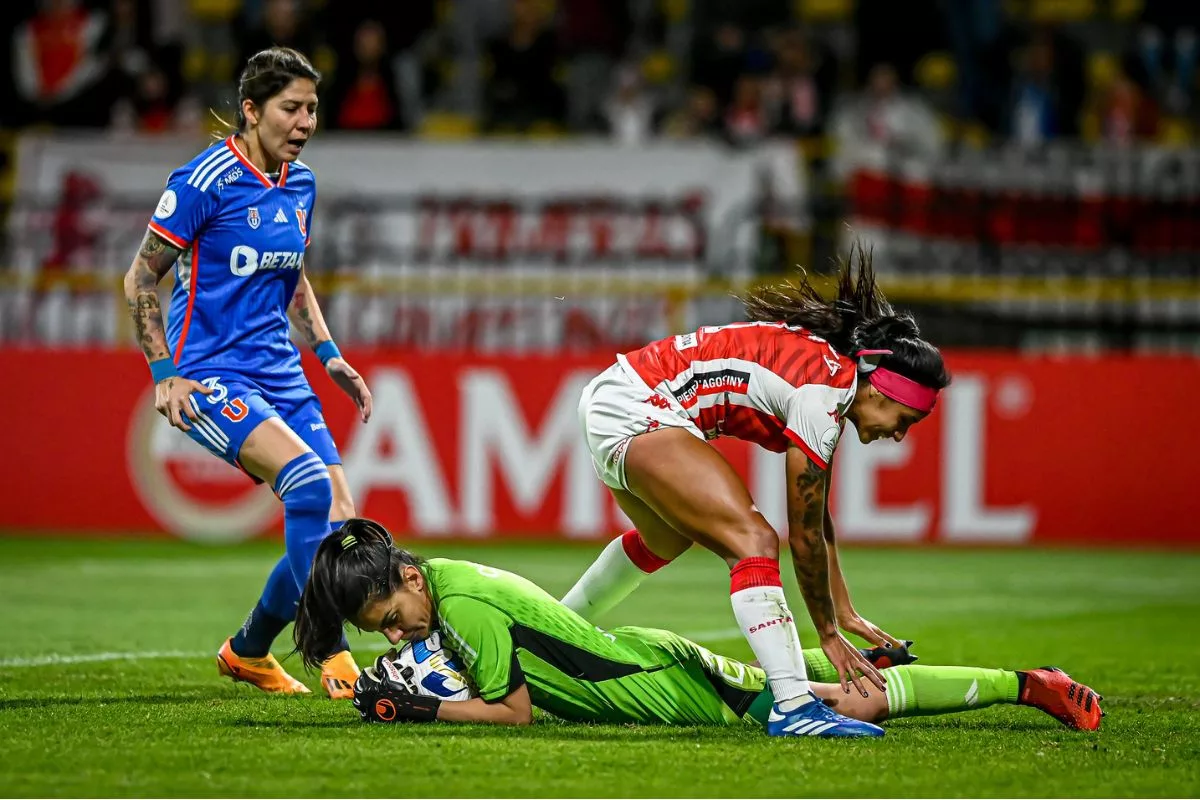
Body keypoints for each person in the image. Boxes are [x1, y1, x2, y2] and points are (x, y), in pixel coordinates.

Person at [558, 243, 951, 737]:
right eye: (905, 419)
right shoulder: (824, 394)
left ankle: (551, 630)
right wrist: (827, 634)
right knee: (755, 542)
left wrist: (843, 610)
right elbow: (801, 534)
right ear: (881, 388)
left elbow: (817, 520)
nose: (899, 433)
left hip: (615, 393)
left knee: (665, 539)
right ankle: (793, 705)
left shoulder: (832, 379)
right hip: (637, 405)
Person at [292, 519, 1104, 733]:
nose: (397, 636)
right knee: (843, 697)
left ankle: (1029, 685)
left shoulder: (461, 606)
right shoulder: (445, 583)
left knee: (850, 702)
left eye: (391, 621)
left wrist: (424, 708)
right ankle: (1028, 684)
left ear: (405, 578)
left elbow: (513, 713)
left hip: (673, 689)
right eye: (383, 632)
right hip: (650, 668)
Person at [121, 47, 371, 699]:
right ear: (252, 111)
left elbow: (292, 275)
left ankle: (249, 651)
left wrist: (328, 352)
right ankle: (331, 649)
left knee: (340, 519)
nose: (305, 121)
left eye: (313, 108)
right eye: (291, 108)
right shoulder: (204, 180)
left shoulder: (301, 183)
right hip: (210, 375)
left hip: (281, 371)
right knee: (309, 488)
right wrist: (164, 372)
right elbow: (141, 274)